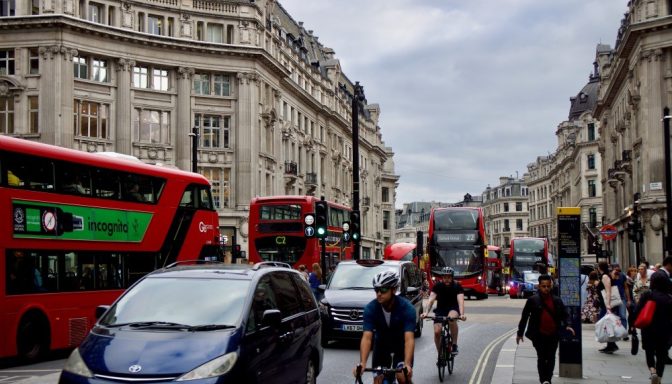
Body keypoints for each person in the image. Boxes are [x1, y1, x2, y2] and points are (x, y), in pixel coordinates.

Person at [353, 270, 415, 384]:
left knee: (402, 377)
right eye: (376, 290)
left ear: (394, 290)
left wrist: (407, 364)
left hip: (401, 348)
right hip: (381, 348)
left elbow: (409, 339)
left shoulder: (407, 308)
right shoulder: (370, 309)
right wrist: (362, 363)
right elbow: (367, 338)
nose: (379, 293)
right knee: (378, 381)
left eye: (384, 289)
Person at [516, 274, 575, 384]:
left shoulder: (557, 300)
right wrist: (520, 333)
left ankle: (548, 379)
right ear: (539, 286)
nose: (546, 288)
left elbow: (565, 314)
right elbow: (524, 317)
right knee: (542, 357)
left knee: (551, 357)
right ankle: (543, 380)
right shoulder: (532, 300)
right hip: (538, 335)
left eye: (548, 286)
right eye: (544, 286)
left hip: (553, 334)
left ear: (551, 286)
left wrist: (568, 325)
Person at [632, 272, 672, 384]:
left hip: (648, 329)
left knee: (649, 351)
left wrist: (633, 324)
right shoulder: (669, 297)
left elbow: (637, 310)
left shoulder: (647, 295)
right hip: (665, 330)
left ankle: (652, 371)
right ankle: (659, 378)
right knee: (661, 355)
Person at [421, 266, 466, 356]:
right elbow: (431, 300)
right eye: (445, 277)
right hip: (440, 310)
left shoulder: (457, 286)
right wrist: (426, 312)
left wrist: (461, 314)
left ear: (452, 277)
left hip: (453, 308)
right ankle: (440, 354)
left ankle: (454, 344)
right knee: (437, 332)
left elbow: (460, 301)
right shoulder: (438, 286)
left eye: (449, 277)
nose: (447, 279)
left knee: (451, 319)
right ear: (442, 278)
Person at [596, 261, 621, 354]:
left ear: (600, 267)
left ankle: (611, 344)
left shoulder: (605, 276)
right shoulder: (606, 275)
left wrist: (608, 305)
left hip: (606, 304)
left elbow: (608, 291)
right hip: (605, 304)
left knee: (606, 323)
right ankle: (610, 344)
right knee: (607, 324)